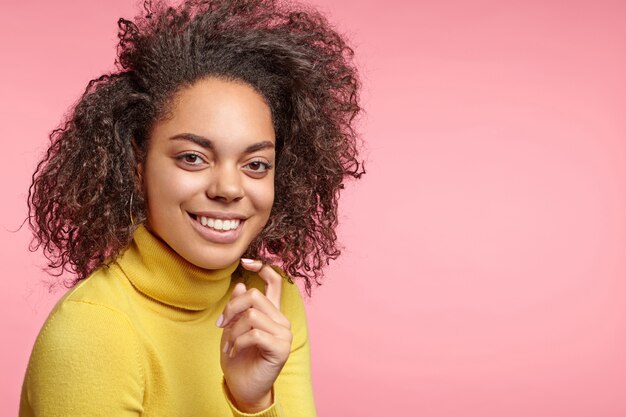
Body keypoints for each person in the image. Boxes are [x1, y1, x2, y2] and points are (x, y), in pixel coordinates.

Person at [19, 0, 363, 415]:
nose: (228, 188)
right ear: (137, 163)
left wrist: (252, 400)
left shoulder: (269, 303)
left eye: (256, 165)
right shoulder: (94, 330)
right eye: (193, 158)